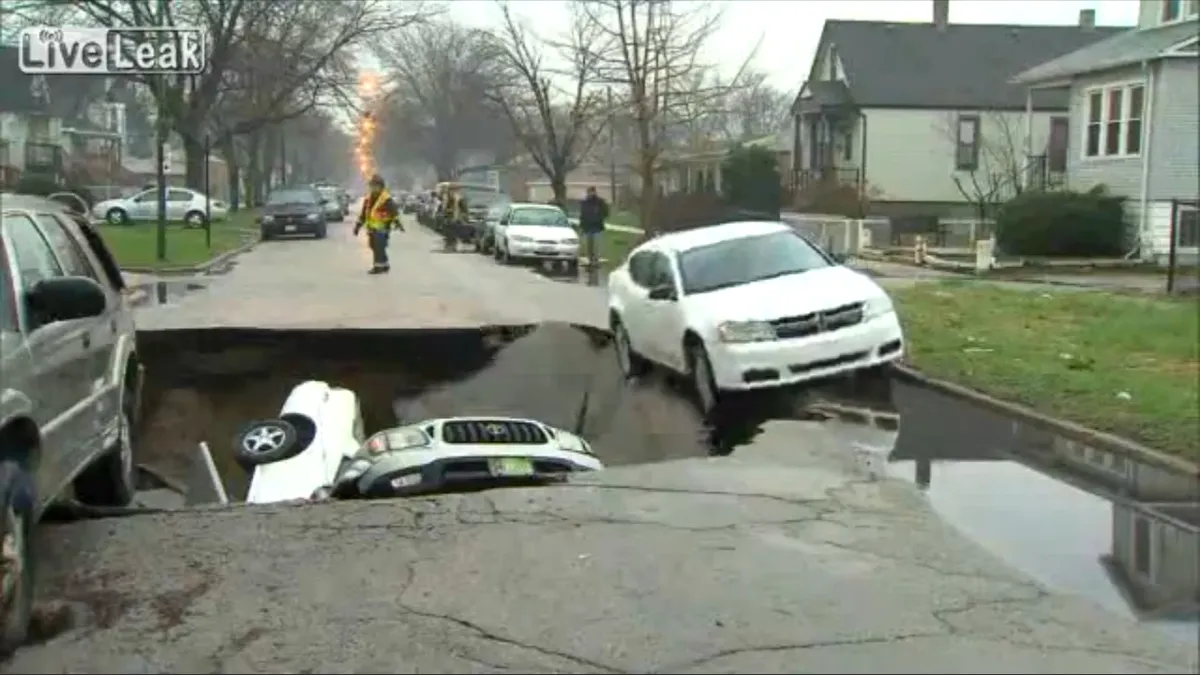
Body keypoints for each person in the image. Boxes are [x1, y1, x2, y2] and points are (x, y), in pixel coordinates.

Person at [354, 174, 403, 274]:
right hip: (372, 228)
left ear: (381, 187)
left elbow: (394, 212)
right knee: (373, 246)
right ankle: (384, 264)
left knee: (378, 246)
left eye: (376, 186)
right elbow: (364, 214)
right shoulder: (368, 199)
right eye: (372, 186)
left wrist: (398, 223)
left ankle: (378, 267)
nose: (374, 188)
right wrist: (357, 226)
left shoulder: (386, 199)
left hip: (383, 228)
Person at [578, 186, 610, 271]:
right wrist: (581, 226)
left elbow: (606, 212)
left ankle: (595, 261)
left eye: (591, 192)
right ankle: (590, 260)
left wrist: (599, 217)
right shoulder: (585, 203)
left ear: (594, 192)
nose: (590, 194)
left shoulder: (600, 202)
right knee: (589, 246)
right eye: (588, 192)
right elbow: (582, 215)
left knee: (596, 246)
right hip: (587, 227)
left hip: (597, 227)